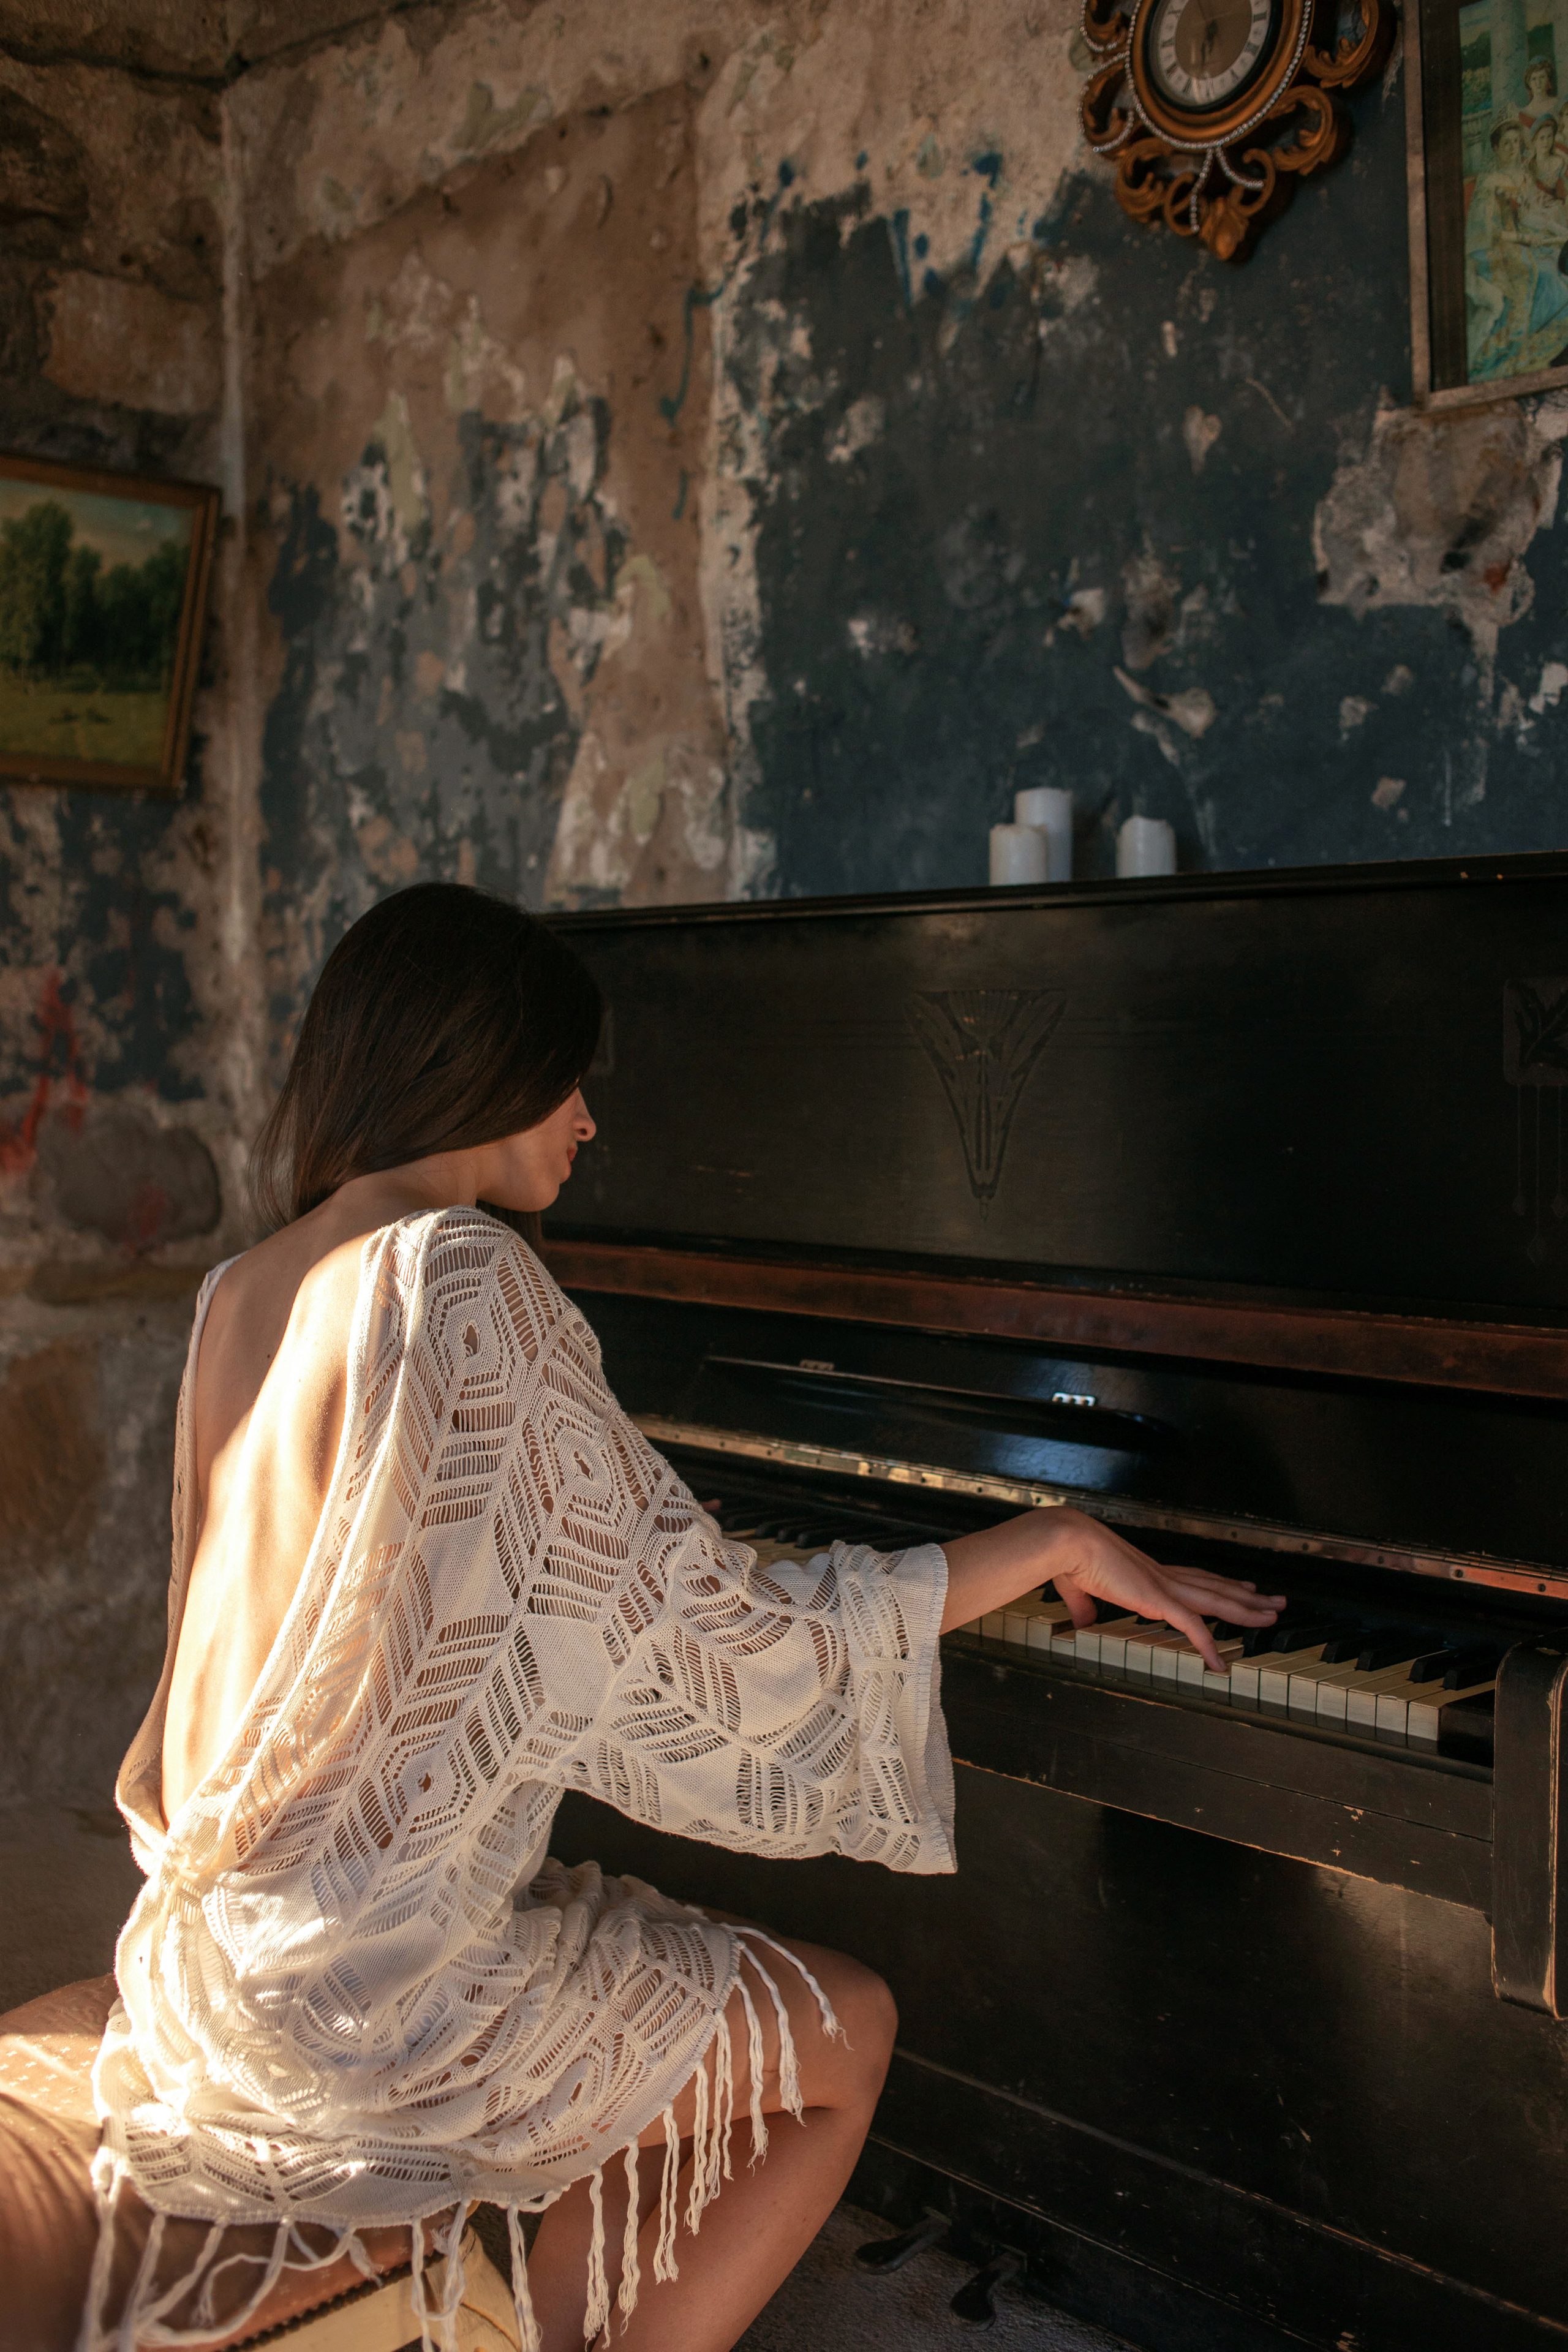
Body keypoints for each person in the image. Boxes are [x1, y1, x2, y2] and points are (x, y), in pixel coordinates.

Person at [83, 883, 1283, 2352]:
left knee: (642, 1999)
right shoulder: (454, 1272)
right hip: (367, 2009)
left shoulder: (241, 1285)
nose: (587, 1120)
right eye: (567, 1078)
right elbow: (733, 1642)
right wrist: (1047, 1533)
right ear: (482, 1061)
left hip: (219, 1961)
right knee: (848, 2029)